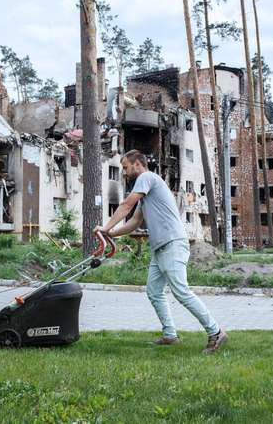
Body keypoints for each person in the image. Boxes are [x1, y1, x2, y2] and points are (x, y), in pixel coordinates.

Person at [94, 149, 227, 354]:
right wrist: (112, 233)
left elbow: (126, 204)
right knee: (154, 291)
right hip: (160, 249)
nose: (125, 173)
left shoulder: (147, 177)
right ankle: (170, 334)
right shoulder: (147, 194)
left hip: (172, 243)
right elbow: (134, 222)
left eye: (126, 168)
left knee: (181, 291)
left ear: (138, 164)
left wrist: (104, 227)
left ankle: (216, 332)